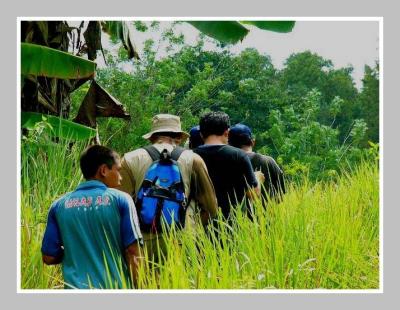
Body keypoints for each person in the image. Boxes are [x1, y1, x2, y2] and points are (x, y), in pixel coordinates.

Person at [118, 114, 218, 263]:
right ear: (178, 137)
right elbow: (211, 209)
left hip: (142, 243)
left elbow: (119, 207)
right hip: (183, 240)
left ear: (152, 137)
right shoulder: (193, 159)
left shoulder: (129, 159)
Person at [41, 145, 143, 289]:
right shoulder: (122, 200)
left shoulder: (58, 205)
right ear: (103, 170)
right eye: (118, 170)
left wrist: (73, 251)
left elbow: (49, 257)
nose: (120, 178)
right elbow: (133, 252)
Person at [193, 112, 259, 220]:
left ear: (201, 134)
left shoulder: (191, 156)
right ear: (227, 132)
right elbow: (253, 195)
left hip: (199, 225)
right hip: (235, 225)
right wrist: (258, 179)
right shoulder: (239, 155)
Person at [228, 123, 286, 206]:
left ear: (229, 144)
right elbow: (282, 191)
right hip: (267, 215)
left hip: (236, 216)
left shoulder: (227, 163)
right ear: (252, 142)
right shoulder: (268, 161)